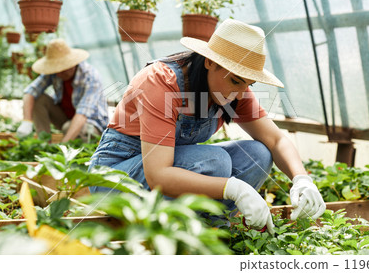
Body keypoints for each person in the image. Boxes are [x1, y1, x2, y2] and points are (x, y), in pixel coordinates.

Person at [88, 19, 325, 233]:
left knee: (258, 154)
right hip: (115, 178)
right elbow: (158, 175)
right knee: (214, 161)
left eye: (248, 83)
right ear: (210, 62)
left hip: (163, 172)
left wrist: (302, 179)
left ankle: (213, 227)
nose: (240, 93)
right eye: (235, 80)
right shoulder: (160, 82)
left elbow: (276, 140)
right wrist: (234, 188)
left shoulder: (235, 91)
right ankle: (177, 230)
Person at [16, 38, 108, 142]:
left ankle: (72, 146)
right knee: (38, 99)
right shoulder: (55, 72)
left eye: (62, 69)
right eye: (56, 69)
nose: (58, 74)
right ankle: (44, 143)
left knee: (68, 127)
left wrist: (63, 145)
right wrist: (27, 121)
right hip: (66, 119)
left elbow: (82, 115)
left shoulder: (90, 77)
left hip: (92, 124)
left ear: (72, 64)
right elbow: (30, 91)